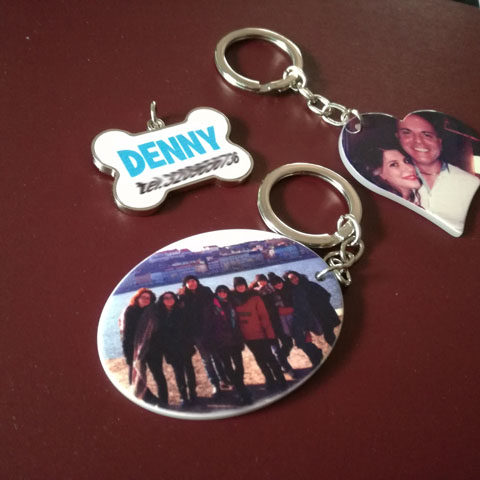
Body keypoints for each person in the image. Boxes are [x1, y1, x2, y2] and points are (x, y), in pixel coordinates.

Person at [396, 112, 479, 233]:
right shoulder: (391, 179)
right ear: (398, 137)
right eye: (407, 132)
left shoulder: (471, 183)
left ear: (439, 140)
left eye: (427, 135)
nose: (418, 141)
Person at [232, 276, 287, 393]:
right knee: (259, 359)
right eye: (238, 286)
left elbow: (264, 316)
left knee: (270, 358)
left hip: (260, 334)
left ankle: (281, 380)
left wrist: (269, 333)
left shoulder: (255, 297)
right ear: (235, 287)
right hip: (247, 336)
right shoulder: (233, 300)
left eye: (242, 285)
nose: (240, 287)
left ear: (246, 285)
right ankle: (270, 380)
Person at [178, 275, 229, 396]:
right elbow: (182, 314)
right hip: (197, 333)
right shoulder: (183, 296)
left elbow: (215, 305)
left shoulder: (206, 291)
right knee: (206, 359)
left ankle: (223, 380)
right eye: (189, 282)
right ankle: (215, 384)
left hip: (211, 329)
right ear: (185, 285)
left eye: (193, 281)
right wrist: (181, 296)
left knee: (217, 356)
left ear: (197, 281)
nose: (192, 283)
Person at [121, 288, 168, 406]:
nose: (146, 300)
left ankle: (163, 402)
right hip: (136, 350)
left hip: (153, 349)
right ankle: (150, 399)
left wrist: (159, 346)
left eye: (148, 298)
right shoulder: (129, 311)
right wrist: (128, 355)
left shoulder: (154, 311)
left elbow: (160, 329)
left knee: (158, 375)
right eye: (143, 297)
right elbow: (126, 335)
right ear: (137, 298)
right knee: (135, 376)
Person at [150, 292, 197, 408]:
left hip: (184, 345)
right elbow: (158, 333)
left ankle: (193, 393)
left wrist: (189, 341)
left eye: (171, 297)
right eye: (166, 298)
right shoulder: (159, 314)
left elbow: (189, 327)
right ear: (162, 300)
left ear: (175, 299)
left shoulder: (181, 311)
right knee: (178, 372)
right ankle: (183, 396)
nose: (169, 299)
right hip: (170, 348)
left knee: (189, 370)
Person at [268, 272, 322, 367]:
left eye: (279, 282)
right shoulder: (273, 295)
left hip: (298, 318)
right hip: (286, 322)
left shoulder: (290, 289)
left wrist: (288, 310)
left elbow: (299, 304)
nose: (278, 285)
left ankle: (316, 359)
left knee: (302, 341)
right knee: (302, 342)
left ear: (282, 281)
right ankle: (317, 354)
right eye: (275, 284)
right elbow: (273, 308)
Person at [212, 285, 252, 405]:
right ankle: (240, 389)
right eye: (220, 291)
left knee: (239, 364)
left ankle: (239, 384)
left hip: (235, 340)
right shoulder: (212, 306)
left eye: (225, 291)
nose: (222, 293)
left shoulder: (232, 303)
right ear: (216, 293)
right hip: (221, 342)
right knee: (227, 366)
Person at [250, 273, 295, 376]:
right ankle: (287, 368)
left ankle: (280, 361)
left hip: (278, 320)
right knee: (276, 348)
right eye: (260, 281)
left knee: (288, 342)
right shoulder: (254, 293)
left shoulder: (272, 289)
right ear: (257, 282)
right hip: (266, 323)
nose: (262, 283)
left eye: (263, 280)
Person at [284, 271, 341, 349]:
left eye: (295, 277)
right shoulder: (294, 291)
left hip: (322, 313)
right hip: (312, 317)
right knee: (327, 334)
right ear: (289, 282)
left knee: (328, 335)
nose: (294, 280)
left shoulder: (310, 285)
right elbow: (298, 306)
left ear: (299, 276)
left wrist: (319, 306)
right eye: (291, 279)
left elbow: (326, 295)